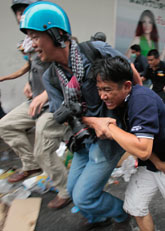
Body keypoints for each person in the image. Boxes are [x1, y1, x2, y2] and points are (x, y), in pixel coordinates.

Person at [20, 2, 142, 230]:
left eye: (35, 37)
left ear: (56, 34)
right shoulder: (51, 77)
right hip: (83, 140)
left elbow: (132, 75)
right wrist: (92, 121)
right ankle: (100, 217)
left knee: (85, 196)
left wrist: (137, 118)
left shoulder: (95, 51)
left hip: (108, 140)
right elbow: (64, 114)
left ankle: (126, 214)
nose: (31, 45)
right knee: (75, 193)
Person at [0, 0, 71, 209]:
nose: (21, 15)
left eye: (25, 11)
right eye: (19, 13)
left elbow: (67, 70)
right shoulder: (29, 41)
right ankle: (30, 165)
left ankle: (65, 190)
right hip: (36, 99)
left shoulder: (55, 38)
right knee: (5, 125)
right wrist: (26, 83)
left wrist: (47, 94)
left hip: (55, 101)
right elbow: (31, 66)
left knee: (43, 149)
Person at [83, 56, 165, 231]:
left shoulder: (141, 100)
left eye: (107, 89)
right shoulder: (120, 102)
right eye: (99, 89)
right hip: (154, 163)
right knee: (135, 205)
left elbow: (142, 149)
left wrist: (108, 126)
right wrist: (156, 162)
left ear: (127, 86)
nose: (102, 96)